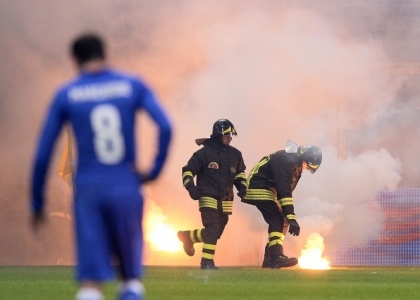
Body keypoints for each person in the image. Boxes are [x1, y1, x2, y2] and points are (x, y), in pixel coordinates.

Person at [30, 32, 172, 300]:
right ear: (105, 55)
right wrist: (153, 171)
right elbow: (165, 126)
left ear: (74, 59)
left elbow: (42, 154)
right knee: (130, 279)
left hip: (89, 188)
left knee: (90, 283)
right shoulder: (132, 85)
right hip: (126, 183)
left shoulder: (67, 93)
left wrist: (37, 203)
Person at [177, 119, 247, 269]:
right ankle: (207, 263)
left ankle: (187, 237)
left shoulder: (235, 154)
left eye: (231, 136)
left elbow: (240, 174)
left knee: (215, 232)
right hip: (207, 196)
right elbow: (187, 171)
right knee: (212, 228)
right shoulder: (203, 154)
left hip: (226, 198)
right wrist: (191, 188)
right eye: (226, 135)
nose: (229, 138)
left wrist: (242, 187)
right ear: (217, 134)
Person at [242, 140, 322, 269]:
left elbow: (285, 191)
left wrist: (288, 216)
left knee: (282, 220)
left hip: (267, 189)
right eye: (307, 165)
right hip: (259, 187)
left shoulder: (294, 163)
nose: (306, 168)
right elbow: (284, 191)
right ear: (304, 157)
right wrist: (292, 216)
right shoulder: (287, 161)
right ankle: (275, 257)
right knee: (277, 219)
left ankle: (270, 258)